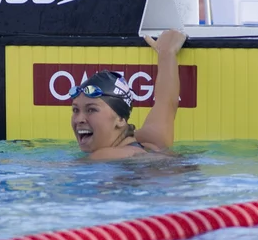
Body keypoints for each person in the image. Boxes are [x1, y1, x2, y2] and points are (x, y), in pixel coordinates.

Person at [69, 29, 187, 161]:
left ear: (120, 119)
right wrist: (167, 52)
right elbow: (166, 101)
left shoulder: (102, 157)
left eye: (91, 109)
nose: (79, 119)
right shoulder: (152, 141)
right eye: (75, 110)